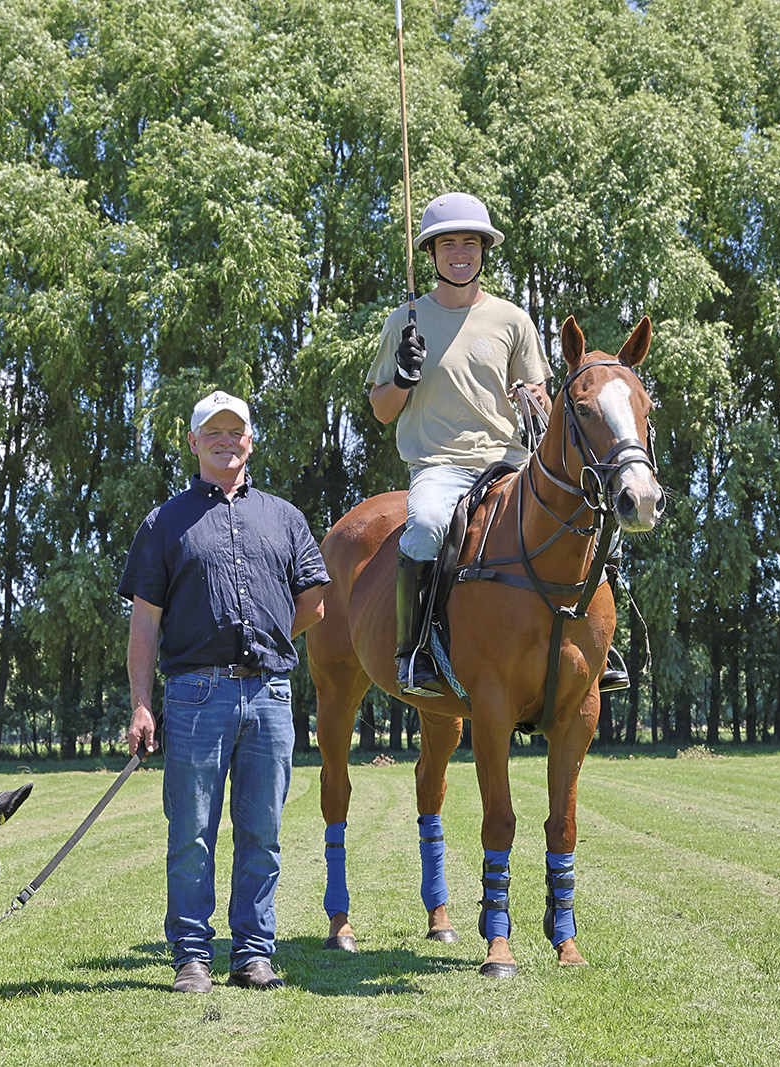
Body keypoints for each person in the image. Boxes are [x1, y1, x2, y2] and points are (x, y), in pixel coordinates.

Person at [367, 191, 629, 697]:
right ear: (431, 254)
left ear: (484, 250)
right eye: (447, 244)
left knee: (601, 527)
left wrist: (531, 399)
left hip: (510, 463)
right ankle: (415, 650)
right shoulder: (406, 320)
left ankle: (601, 645)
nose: (459, 253)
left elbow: (541, 394)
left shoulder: (512, 319)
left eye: (470, 243)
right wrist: (402, 376)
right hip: (440, 465)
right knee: (422, 529)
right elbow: (381, 409)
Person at [120, 390, 329, 994]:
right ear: (193, 443)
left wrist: (266, 639)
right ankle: (191, 955)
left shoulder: (285, 518)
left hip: (269, 695)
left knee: (262, 832)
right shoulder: (165, 523)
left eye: (235, 430)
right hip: (192, 696)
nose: (225, 438)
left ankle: (254, 953)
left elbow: (314, 600)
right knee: (190, 834)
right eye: (212, 431)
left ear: (250, 440)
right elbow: (145, 623)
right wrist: (141, 702)